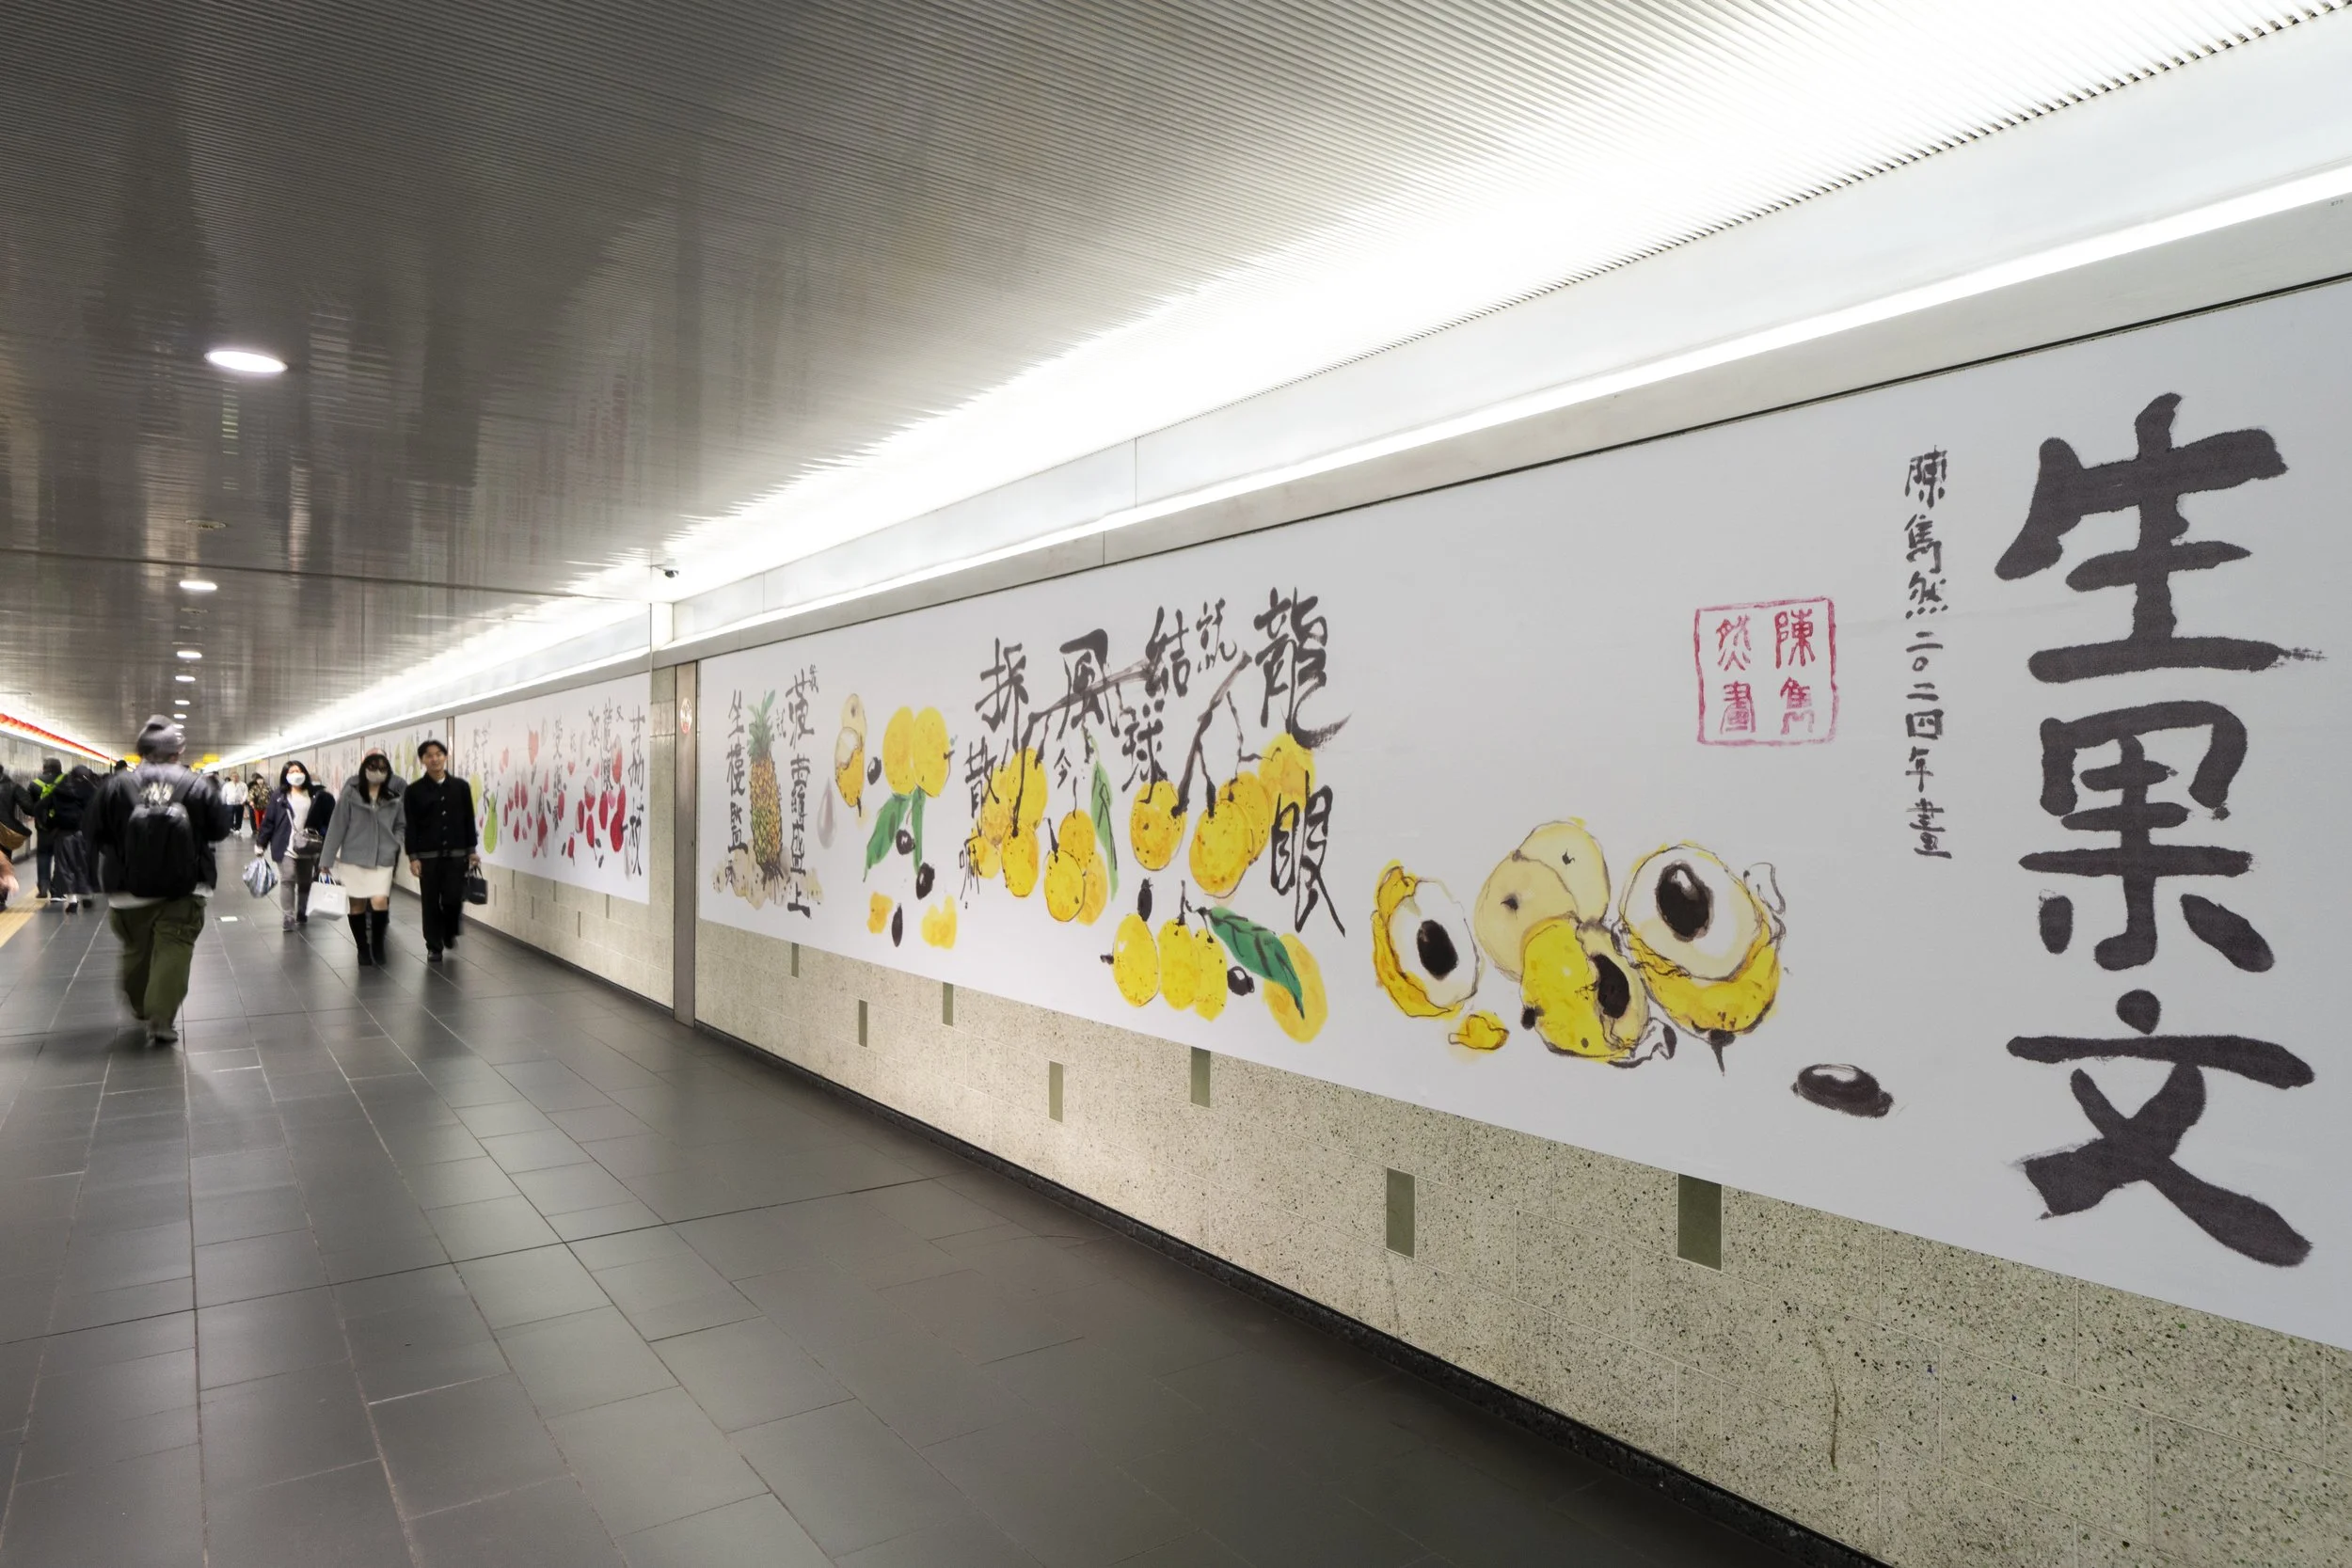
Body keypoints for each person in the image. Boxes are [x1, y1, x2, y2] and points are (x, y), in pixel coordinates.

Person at [83, 717, 235, 1046]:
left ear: (140, 750)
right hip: (186, 885)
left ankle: (140, 1006)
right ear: (177, 752)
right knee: (175, 947)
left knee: (136, 949)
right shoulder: (197, 785)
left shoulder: (115, 785)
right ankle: (160, 1015)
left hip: (127, 888)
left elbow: (92, 831)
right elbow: (220, 829)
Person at [319, 751, 404, 966]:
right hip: (353, 857)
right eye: (373, 767)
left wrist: (395, 843)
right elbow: (337, 826)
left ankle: (377, 944)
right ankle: (362, 948)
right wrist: (325, 861)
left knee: (379, 901)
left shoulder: (393, 797)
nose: (377, 772)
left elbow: (401, 824)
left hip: (382, 858)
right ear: (364, 769)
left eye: (382, 768)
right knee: (356, 905)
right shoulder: (351, 793)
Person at [405, 738, 478, 961]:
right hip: (428, 856)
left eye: (439, 754)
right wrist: (413, 857)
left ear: (445, 757)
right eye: (429, 755)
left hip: (456, 854)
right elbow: (410, 825)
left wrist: (471, 849)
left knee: (453, 898)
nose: (435, 759)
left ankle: (449, 930)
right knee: (430, 901)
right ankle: (433, 946)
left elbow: (468, 819)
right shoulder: (414, 791)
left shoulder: (461, 787)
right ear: (422, 761)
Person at [255, 761, 333, 930]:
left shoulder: (315, 795)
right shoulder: (279, 796)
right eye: (291, 771)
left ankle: (302, 912)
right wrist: (261, 843)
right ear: (286, 775)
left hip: (308, 845)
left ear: (304, 773)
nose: (296, 773)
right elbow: (269, 821)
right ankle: (288, 917)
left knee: (305, 882)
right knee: (288, 878)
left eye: (298, 770)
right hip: (286, 844)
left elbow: (326, 820)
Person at [40, 764, 98, 911]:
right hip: (84, 833)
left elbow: (40, 807)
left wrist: (48, 824)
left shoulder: (59, 789)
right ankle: (87, 896)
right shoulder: (90, 790)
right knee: (84, 864)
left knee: (65, 866)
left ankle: (72, 901)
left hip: (63, 833)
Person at [30, 758, 61, 896]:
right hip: (61, 828)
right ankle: (57, 888)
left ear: (44, 768)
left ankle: (43, 885)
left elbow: (30, 807)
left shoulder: (34, 784)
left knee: (43, 856)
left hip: (42, 828)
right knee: (61, 858)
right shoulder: (66, 781)